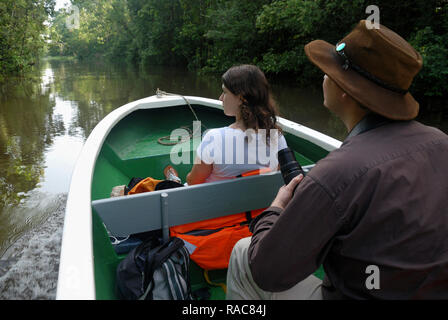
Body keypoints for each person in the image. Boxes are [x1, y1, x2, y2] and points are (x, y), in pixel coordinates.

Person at [226, 20, 448, 300]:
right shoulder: (441, 142)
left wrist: (275, 210)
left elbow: (268, 272)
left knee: (244, 253)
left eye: (328, 73)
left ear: (345, 91)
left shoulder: (338, 172)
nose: (323, 78)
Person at [177, 64, 288, 185]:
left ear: (241, 99)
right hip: (261, 203)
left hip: (216, 202)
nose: (220, 98)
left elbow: (194, 182)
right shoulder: (277, 137)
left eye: (224, 92)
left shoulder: (213, 138)